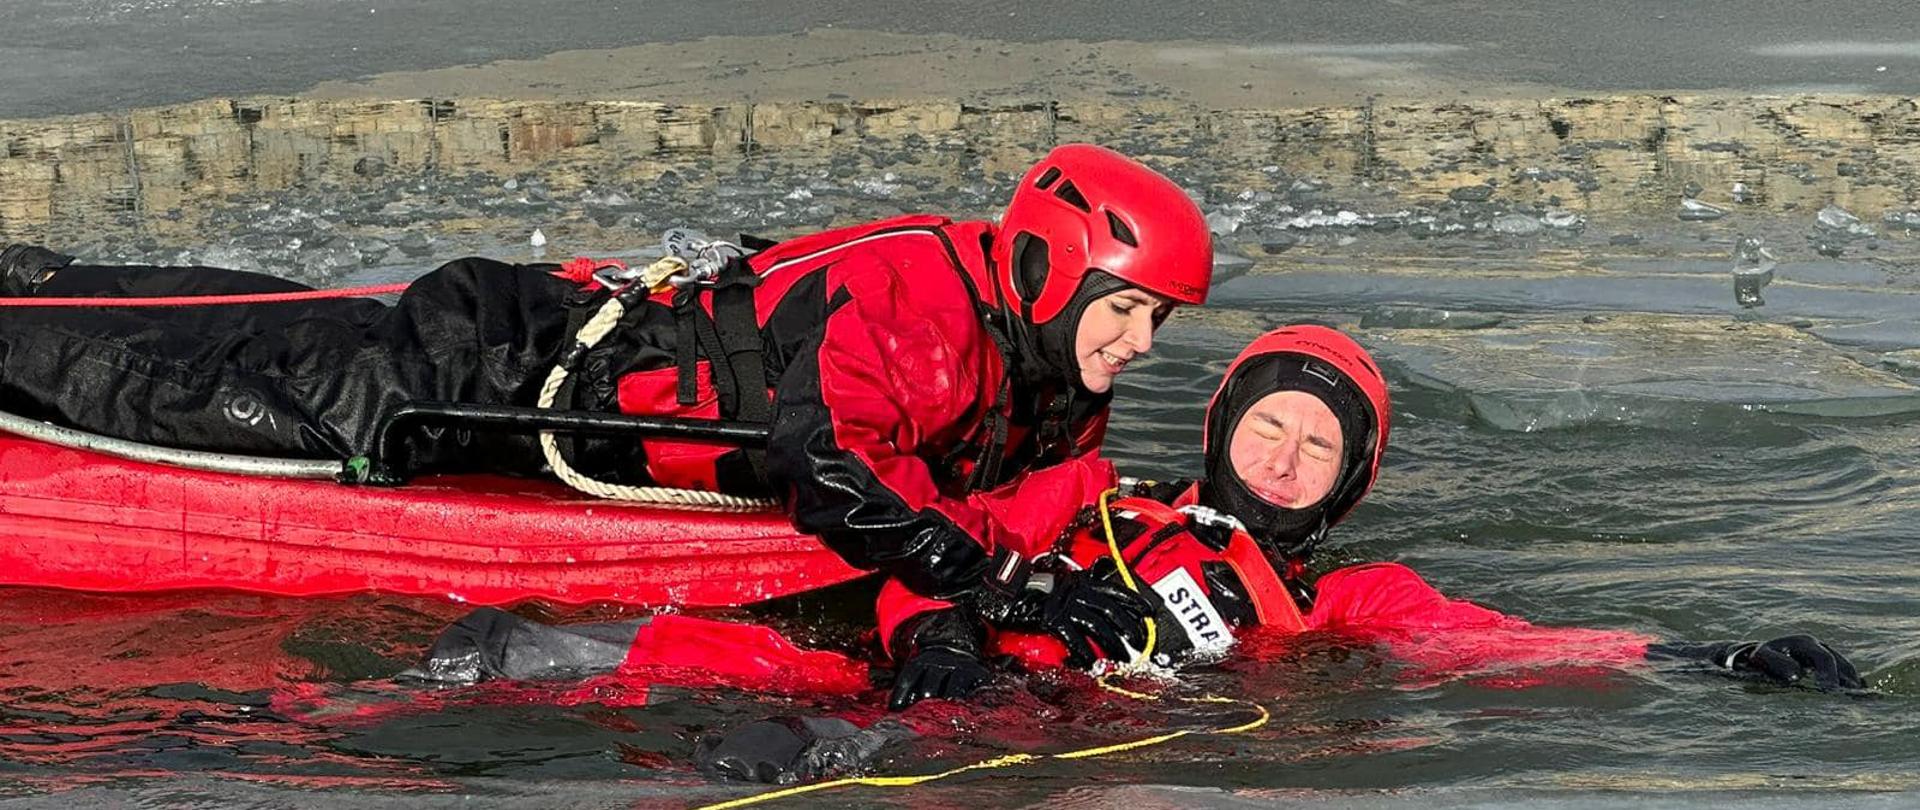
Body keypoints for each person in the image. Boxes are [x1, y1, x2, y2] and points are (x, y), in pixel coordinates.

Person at [0, 144, 1206, 656]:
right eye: (1125, 307)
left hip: (531, 359)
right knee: (210, 392)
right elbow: (829, 464)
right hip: (495, 372)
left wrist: (1042, 571)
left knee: (268, 334)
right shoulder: (924, 303)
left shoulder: (1047, 365)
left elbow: (1008, 489)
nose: (1140, 342)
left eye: (1157, 319)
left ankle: (43, 282)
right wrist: (990, 581)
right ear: (1051, 266)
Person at [882, 324, 1865, 708]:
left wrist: (1711, 658)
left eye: (1320, 448)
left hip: (1074, 746)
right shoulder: (1083, 493)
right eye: (1269, 426)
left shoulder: (1340, 604)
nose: (1283, 460)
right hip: (908, 696)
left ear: (1350, 482)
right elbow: (915, 546)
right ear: (1221, 427)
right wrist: (939, 639)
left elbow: (1503, 642)